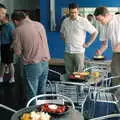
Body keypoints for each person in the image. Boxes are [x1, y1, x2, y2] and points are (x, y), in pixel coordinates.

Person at [11, 11, 50, 100]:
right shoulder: (39, 25)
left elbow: (18, 53)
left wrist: (14, 45)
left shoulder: (18, 30)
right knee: (42, 90)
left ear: (16, 21)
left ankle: (33, 112)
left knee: (32, 92)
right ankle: (43, 112)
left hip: (32, 65)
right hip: (45, 63)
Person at [60, 3, 98, 80]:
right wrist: (65, 40)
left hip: (79, 52)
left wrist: (88, 43)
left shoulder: (83, 21)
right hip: (67, 52)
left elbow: (94, 32)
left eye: (75, 12)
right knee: (69, 74)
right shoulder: (65, 21)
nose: (73, 14)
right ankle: (70, 89)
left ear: (78, 11)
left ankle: (78, 89)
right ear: (68, 11)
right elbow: (61, 33)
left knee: (79, 74)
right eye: (71, 12)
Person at [94, 6, 120, 86]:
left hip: (117, 49)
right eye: (98, 20)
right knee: (115, 74)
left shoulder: (118, 18)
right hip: (116, 52)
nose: (100, 22)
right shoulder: (103, 26)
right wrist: (100, 51)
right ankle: (116, 95)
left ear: (107, 15)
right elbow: (104, 44)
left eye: (101, 20)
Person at [0, 12, 15, 83]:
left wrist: (11, 47)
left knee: (10, 63)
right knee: (2, 62)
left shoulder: (10, 26)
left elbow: (14, 39)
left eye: (1, 16)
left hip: (9, 46)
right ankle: (1, 77)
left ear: (5, 18)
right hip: (3, 46)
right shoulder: (2, 26)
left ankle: (12, 78)